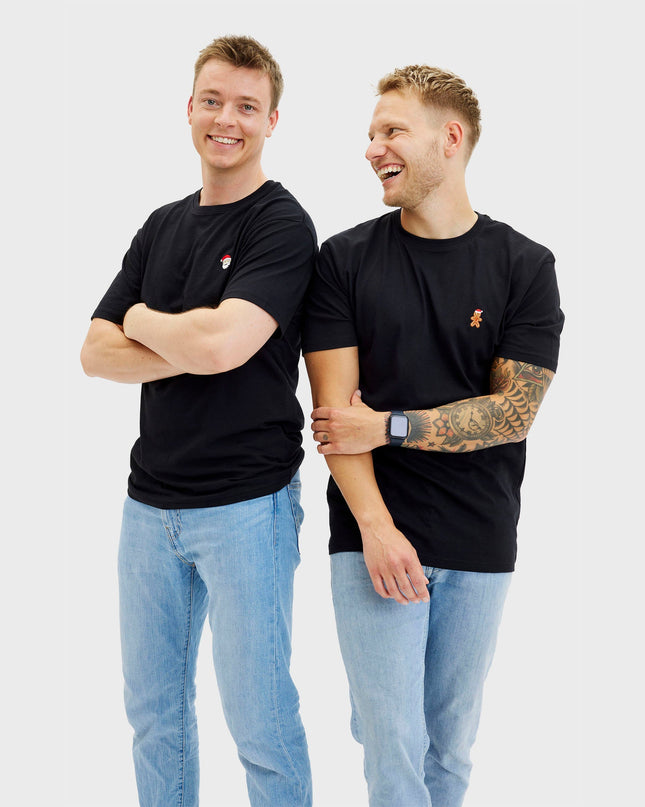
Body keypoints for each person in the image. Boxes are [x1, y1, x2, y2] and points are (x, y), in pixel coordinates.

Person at [303, 65, 564, 807]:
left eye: (390, 131)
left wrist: (387, 425)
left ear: (449, 139)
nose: (370, 147)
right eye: (369, 133)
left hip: (480, 537)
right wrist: (378, 529)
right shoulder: (343, 260)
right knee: (391, 744)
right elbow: (332, 419)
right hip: (371, 535)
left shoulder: (524, 266)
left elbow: (512, 413)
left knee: (447, 748)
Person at [80, 35, 315, 807]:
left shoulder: (282, 225)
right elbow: (93, 352)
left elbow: (219, 345)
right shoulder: (162, 224)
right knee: (154, 717)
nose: (227, 119)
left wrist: (145, 316)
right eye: (213, 101)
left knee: (261, 722)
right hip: (148, 508)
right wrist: (203, 340)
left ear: (272, 120)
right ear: (189, 109)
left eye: (246, 106)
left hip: (246, 505)